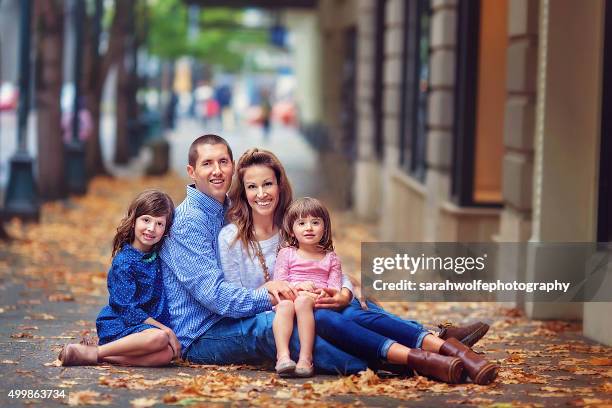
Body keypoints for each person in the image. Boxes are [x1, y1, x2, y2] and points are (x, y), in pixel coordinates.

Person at [219, 148, 499, 384]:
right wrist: (271, 289)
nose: (261, 193)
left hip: (324, 300)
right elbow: (235, 296)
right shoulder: (232, 239)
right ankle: (428, 353)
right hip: (289, 313)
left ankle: (443, 349)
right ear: (242, 192)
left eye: (267, 184)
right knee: (329, 319)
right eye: (252, 186)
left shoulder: (294, 226)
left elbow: (327, 265)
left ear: (280, 185)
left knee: (354, 309)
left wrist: (344, 291)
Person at [160, 134, 367, 375]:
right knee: (282, 327)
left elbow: (310, 259)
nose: (217, 170)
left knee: (348, 308)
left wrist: (343, 287)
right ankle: (372, 364)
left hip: (238, 316)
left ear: (232, 166)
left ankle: (410, 343)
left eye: (223, 162)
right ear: (191, 171)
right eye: (207, 163)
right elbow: (217, 297)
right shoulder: (188, 222)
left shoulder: (232, 208)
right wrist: (273, 295)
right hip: (204, 333)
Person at [59, 190, 180, 367]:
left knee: (166, 355)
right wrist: (165, 329)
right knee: (160, 337)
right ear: (134, 221)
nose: (151, 229)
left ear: (166, 230)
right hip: (121, 324)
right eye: (146, 220)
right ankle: (97, 351)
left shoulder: (158, 255)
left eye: (159, 224)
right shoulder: (124, 262)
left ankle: (95, 357)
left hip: (144, 330)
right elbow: (127, 310)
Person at [271, 197, 346, 377]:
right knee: (284, 305)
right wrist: (298, 286)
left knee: (303, 301)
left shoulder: (331, 258)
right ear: (291, 229)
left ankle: (306, 358)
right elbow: (280, 282)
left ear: (325, 227)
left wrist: (323, 292)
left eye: (315, 222)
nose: (309, 228)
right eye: (302, 223)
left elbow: (334, 287)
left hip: (314, 299)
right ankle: (282, 357)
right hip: (291, 295)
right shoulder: (287, 253)